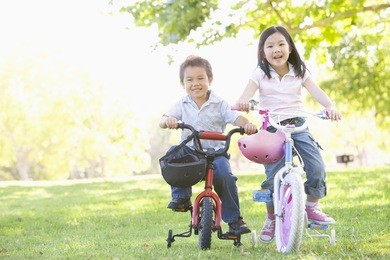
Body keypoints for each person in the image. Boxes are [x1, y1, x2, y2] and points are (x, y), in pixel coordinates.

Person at [236, 26, 342, 243]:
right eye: (270, 46)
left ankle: (312, 205)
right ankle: (271, 218)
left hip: (298, 125)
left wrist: (330, 106)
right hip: (273, 128)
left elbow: (316, 91)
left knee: (317, 166)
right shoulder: (260, 73)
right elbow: (246, 94)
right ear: (263, 51)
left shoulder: (299, 70)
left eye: (281, 44)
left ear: (290, 47)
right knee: (273, 175)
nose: (276, 49)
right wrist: (243, 103)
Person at [159, 55, 257, 235]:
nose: (195, 83)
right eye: (189, 80)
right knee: (172, 154)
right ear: (183, 84)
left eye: (200, 78)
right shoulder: (183, 103)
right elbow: (162, 120)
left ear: (209, 80)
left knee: (225, 177)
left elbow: (235, 118)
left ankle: (234, 220)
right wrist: (168, 121)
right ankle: (181, 198)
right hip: (191, 152)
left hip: (216, 153)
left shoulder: (219, 103)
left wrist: (247, 125)